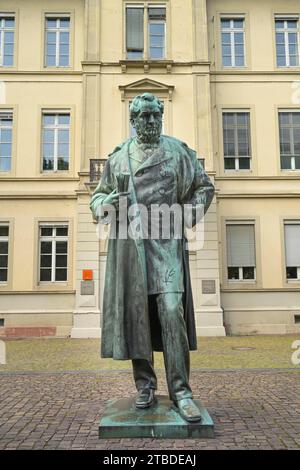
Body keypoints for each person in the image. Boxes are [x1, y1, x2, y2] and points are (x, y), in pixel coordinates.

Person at [90, 93, 215, 422]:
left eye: (154, 115)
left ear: (161, 116)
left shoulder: (178, 152)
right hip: (131, 248)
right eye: (143, 116)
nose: (149, 121)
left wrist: (186, 215)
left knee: (172, 311)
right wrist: (109, 204)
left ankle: (181, 391)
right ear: (133, 121)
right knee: (138, 315)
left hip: (166, 244)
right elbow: (98, 198)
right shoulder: (118, 159)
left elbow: (204, 188)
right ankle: (144, 385)